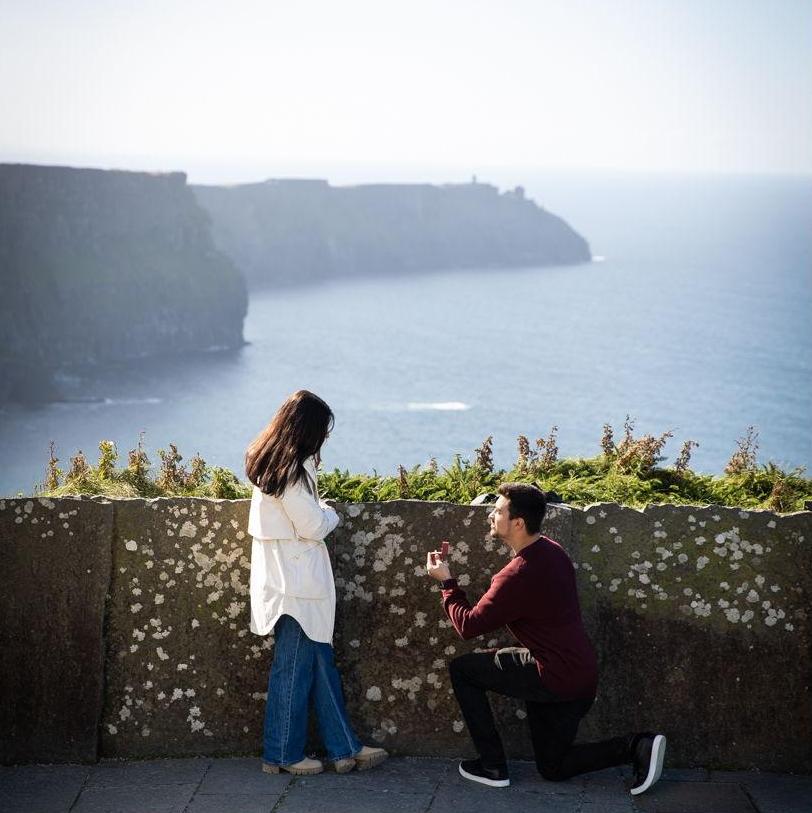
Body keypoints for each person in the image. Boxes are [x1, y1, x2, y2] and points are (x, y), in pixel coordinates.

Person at [425, 483, 666, 796]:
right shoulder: (553, 551)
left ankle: (492, 765)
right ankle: (637, 746)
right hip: (578, 675)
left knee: (463, 670)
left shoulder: (517, 574)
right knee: (554, 768)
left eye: (498, 511)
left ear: (518, 523)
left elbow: (468, 626)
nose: (491, 516)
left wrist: (447, 583)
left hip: (552, 676)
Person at [245, 389, 387, 776]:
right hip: (297, 585)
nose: (324, 438)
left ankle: (344, 747)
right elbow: (312, 525)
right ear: (308, 430)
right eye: (322, 430)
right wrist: (330, 512)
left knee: (319, 662)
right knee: (292, 668)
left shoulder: (269, 464)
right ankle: (282, 754)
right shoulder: (291, 472)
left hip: (284, 578)